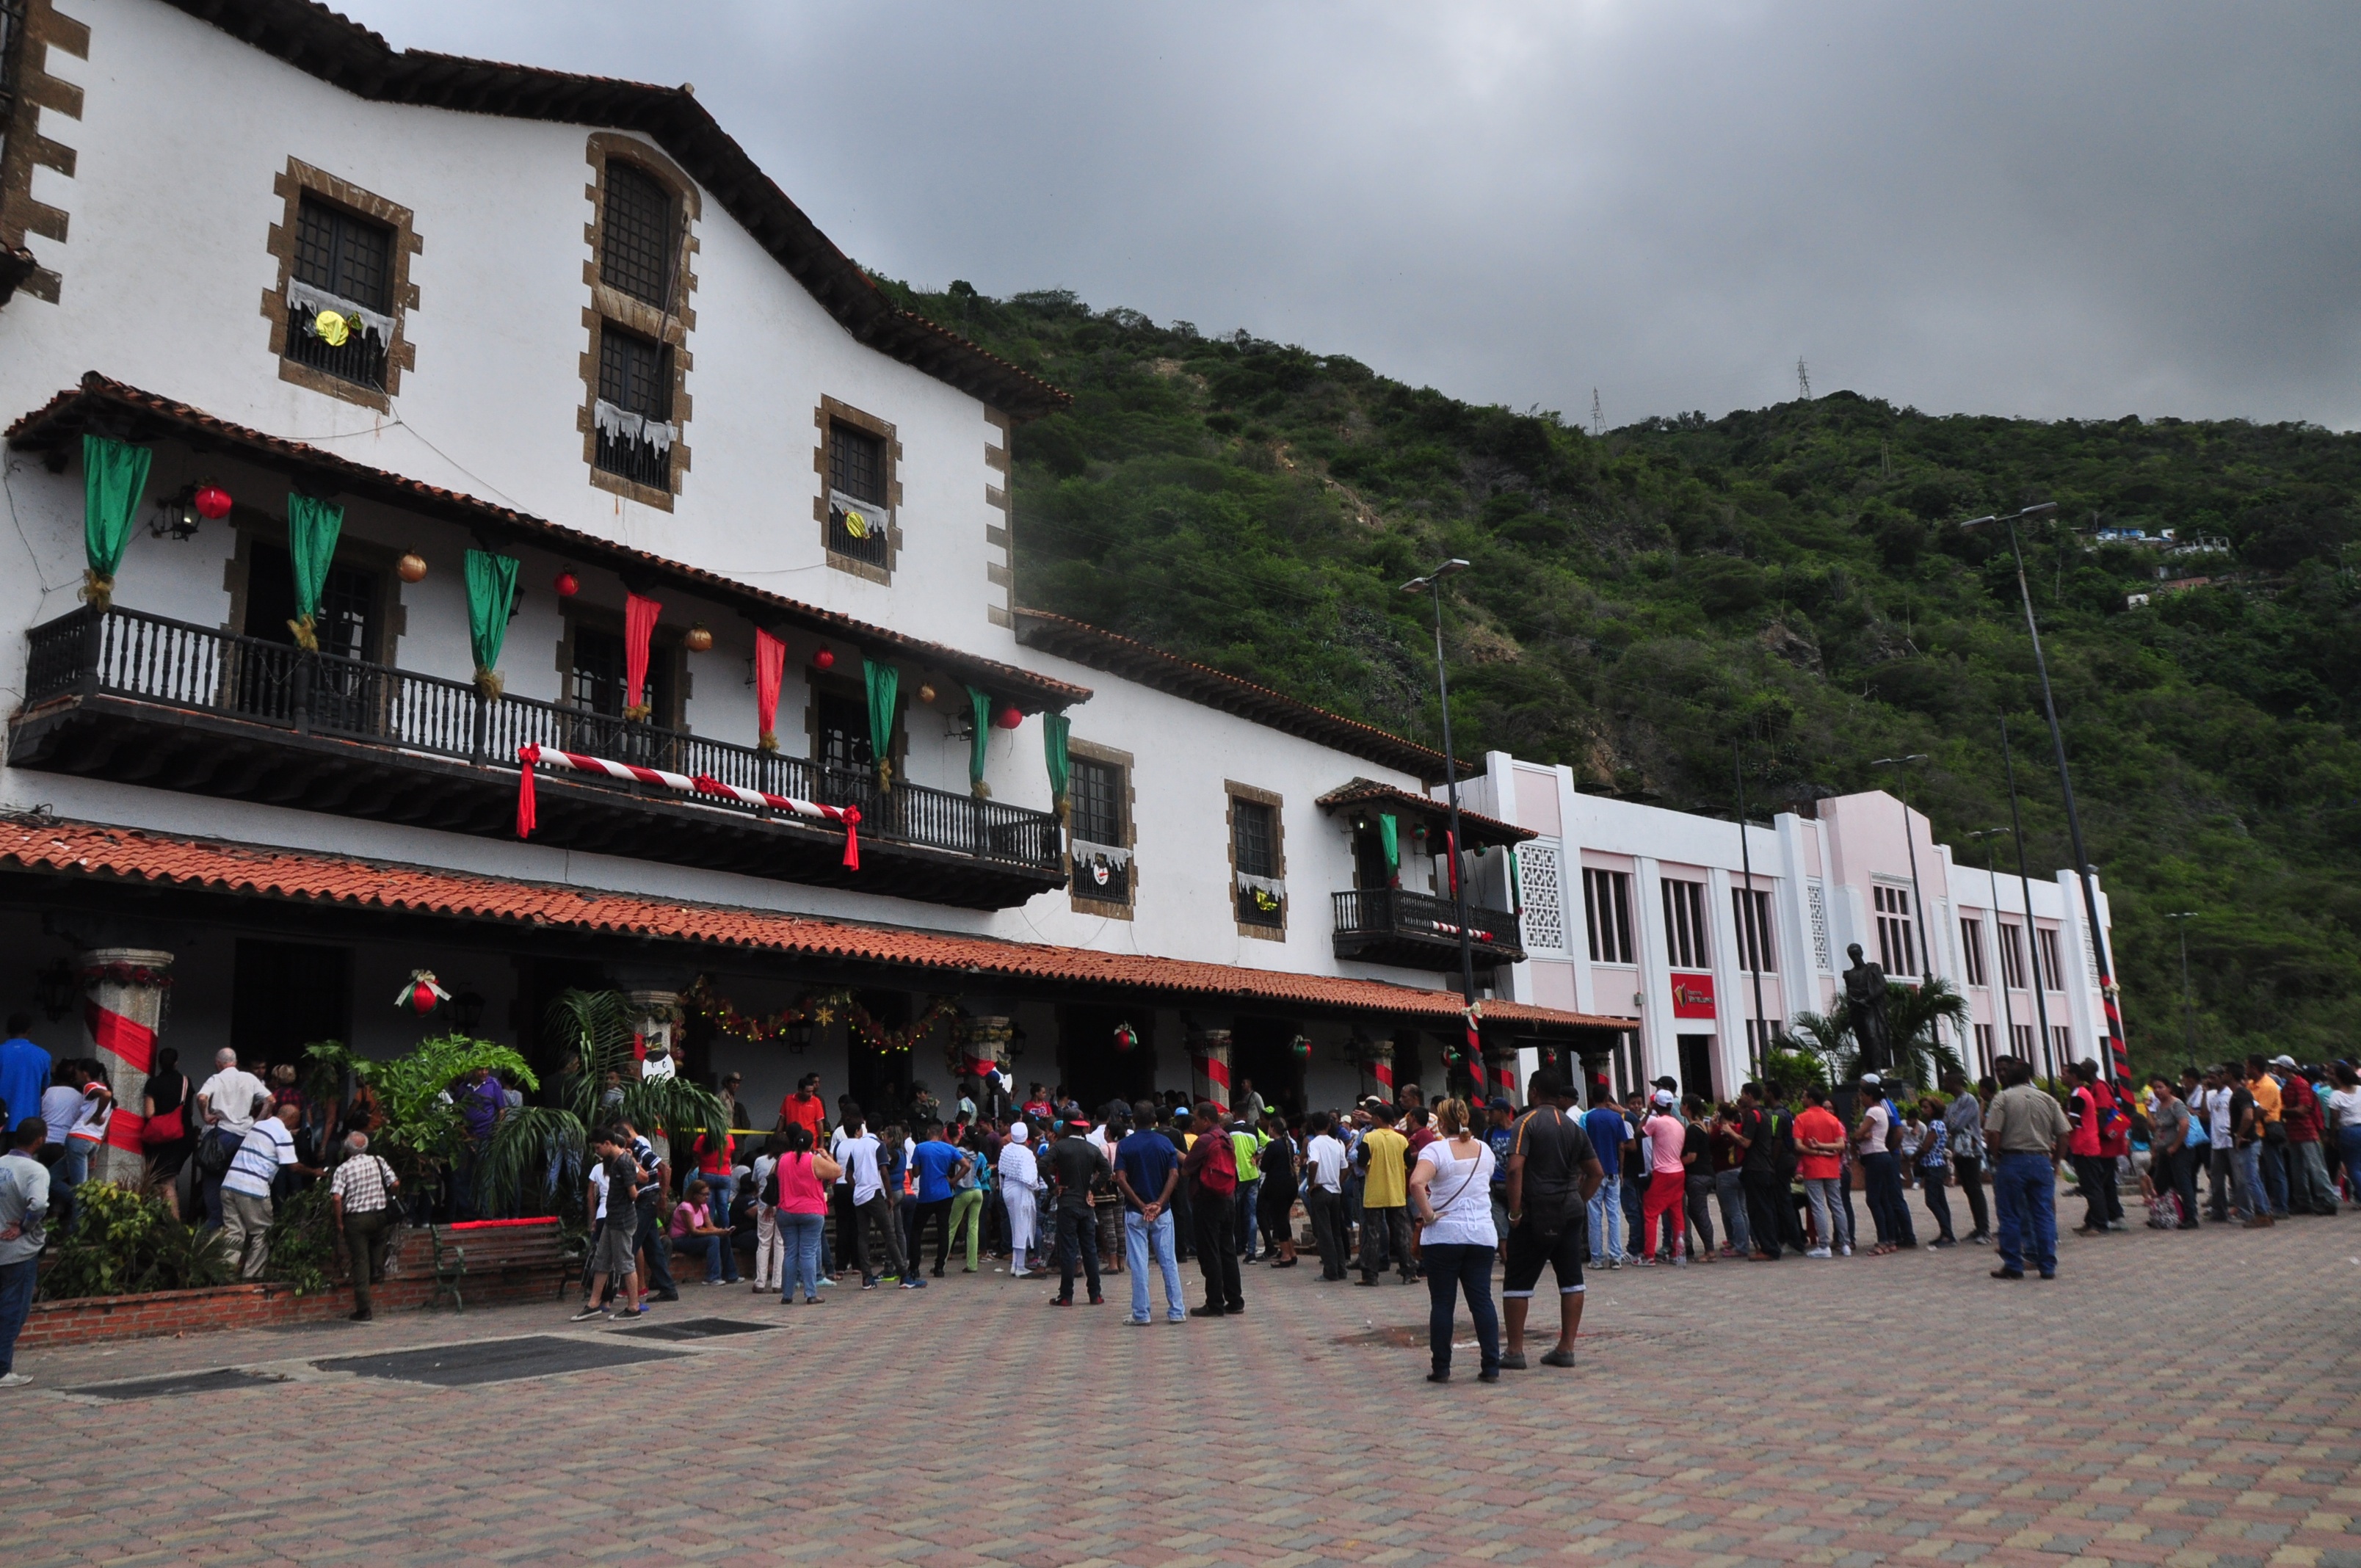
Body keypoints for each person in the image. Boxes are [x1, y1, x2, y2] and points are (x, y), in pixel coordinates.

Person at [1501, 1070, 1605, 1371]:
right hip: (1569, 1210)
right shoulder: (1573, 1127)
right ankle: (1566, 1347)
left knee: (1518, 1282)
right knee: (1572, 1279)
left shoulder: (1526, 1123)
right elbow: (1596, 1172)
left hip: (1535, 1211)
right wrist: (1577, 1200)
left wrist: (1515, 1211)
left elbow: (1514, 1170)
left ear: (1533, 1092)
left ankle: (1515, 1351)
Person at [1409, 1097, 1500, 1383]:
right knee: (1482, 1301)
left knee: (1443, 1303)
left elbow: (1416, 1183)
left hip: (1445, 1235)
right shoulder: (1484, 1150)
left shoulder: (1435, 1150)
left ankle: (1442, 1367)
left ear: (1443, 1123)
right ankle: (1491, 1364)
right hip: (1482, 1234)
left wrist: (1429, 1215)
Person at [1984, 1056, 2072, 1280]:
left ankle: (2013, 1264)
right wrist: (2056, 1161)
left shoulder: (2002, 1099)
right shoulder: (2048, 1099)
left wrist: (1996, 1157)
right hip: (2041, 1160)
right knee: (2043, 1214)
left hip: (2012, 1160)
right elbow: (2063, 1134)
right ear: (2030, 1076)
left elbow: (1993, 1133)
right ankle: (2047, 1265)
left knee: (2010, 1214)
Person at [220, 1102, 313, 1280]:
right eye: (297, 1121)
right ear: (292, 1118)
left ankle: (223, 1276)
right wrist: (315, 1172)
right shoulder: (283, 1134)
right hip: (252, 1189)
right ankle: (252, 1277)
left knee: (234, 1233)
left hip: (230, 1185)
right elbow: (293, 1167)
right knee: (262, 1233)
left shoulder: (260, 1125)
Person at [1114, 1098, 1185, 1324]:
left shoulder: (1125, 1145)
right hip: (1162, 1212)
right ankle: (1177, 1311)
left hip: (1136, 1211)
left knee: (1139, 1263)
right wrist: (1160, 1203)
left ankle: (1141, 1313)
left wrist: (1141, 1203)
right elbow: (1174, 1174)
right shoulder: (1165, 1144)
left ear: (1133, 1120)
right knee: (1168, 1262)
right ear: (1155, 1120)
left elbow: (1120, 1178)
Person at [573, 1128, 648, 1321]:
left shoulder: (623, 1162)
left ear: (608, 1143)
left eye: (598, 1147)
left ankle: (633, 1307)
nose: (597, 1151)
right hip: (611, 1218)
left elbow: (633, 1192)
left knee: (625, 1262)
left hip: (622, 1219)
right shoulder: (613, 1161)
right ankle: (594, 1302)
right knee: (602, 1259)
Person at [0, 1117, 53, 1387]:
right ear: (40, 1139)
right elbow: (39, 1205)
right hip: (18, 1252)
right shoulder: (35, 1171)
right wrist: (24, 1227)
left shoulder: (1, 1164)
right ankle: (2, 1370)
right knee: (13, 1311)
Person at [1180, 1100, 1243, 1317]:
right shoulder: (1226, 1137)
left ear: (1206, 1120)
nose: (1193, 1123)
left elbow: (1187, 1170)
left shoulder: (1204, 1140)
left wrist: (1177, 1154)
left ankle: (1214, 1302)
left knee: (1209, 1252)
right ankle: (1235, 1300)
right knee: (1227, 1250)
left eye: (1196, 1118)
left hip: (1207, 1201)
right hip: (1227, 1197)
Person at [328, 1131, 399, 1321]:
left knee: (360, 1262)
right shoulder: (378, 1161)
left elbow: (336, 1198)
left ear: (347, 1149)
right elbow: (395, 1183)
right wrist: (389, 1195)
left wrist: (339, 1223)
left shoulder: (343, 1169)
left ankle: (364, 1309)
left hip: (356, 1220)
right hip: (380, 1215)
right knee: (378, 1244)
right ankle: (377, 1269)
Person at [195, 1048, 269, 1227]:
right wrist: (256, 1121)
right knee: (239, 1182)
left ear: (219, 1063)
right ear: (235, 1062)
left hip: (222, 1136)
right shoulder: (250, 1079)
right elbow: (271, 1100)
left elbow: (202, 1097)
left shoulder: (216, 1079)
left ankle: (215, 1224)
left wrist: (205, 1115)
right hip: (245, 1138)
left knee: (213, 1180)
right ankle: (238, 1225)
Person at [1042, 1116, 1109, 1306]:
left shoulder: (1059, 1147)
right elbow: (1106, 1170)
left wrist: (1053, 1187)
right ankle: (1095, 1294)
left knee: (1068, 1250)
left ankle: (1066, 1296)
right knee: (1090, 1250)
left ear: (1068, 1127)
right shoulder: (1092, 1149)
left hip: (1067, 1203)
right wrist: (1092, 1189)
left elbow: (1041, 1164)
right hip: (1086, 1204)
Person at [774, 1122, 838, 1305]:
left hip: (786, 1210)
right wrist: (826, 1156)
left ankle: (787, 1295)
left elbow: (773, 1175)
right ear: (811, 1145)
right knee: (808, 1253)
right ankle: (811, 1293)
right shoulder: (814, 1160)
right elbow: (837, 1171)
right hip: (811, 1210)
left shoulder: (783, 1159)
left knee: (790, 1253)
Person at [1354, 1103, 1413, 1286]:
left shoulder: (1369, 1139)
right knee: (1402, 1234)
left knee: (1372, 1235)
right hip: (1396, 1193)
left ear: (1378, 1119)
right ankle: (1409, 1272)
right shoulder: (1402, 1140)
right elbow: (1409, 1164)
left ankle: (1370, 1275)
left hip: (1374, 1194)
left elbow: (1362, 1163)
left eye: (1373, 1117)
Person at [1852, 1073, 1908, 1255]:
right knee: (1884, 1199)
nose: (1861, 1099)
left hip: (1875, 1155)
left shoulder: (1873, 1111)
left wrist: (1861, 1134)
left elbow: (1858, 1134)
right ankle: (1891, 1239)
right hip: (1881, 1155)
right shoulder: (1882, 1111)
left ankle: (1883, 1239)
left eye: (1863, 1095)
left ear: (1871, 1096)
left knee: (1874, 1199)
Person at [905, 1122, 969, 1278]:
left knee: (916, 1231)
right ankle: (940, 1267)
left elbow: (916, 1172)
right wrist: (953, 1180)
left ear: (928, 1132)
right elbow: (966, 1165)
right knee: (943, 1230)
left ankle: (914, 1267)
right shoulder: (949, 1149)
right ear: (941, 1135)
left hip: (926, 1195)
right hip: (945, 1194)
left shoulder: (920, 1148)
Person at [1793, 1086, 1849, 1257]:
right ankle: (1845, 1243)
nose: (1802, 1099)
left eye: (1804, 1096)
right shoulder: (1832, 1120)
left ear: (1810, 1099)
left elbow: (1798, 1145)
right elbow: (1841, 1145)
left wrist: (1817, 1150)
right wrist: (1825, 1149)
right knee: (1837, 1205)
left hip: (1813, 1167)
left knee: (1818, 1206)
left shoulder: (1802, 1119)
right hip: (1832, 1167)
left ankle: (1824, 1245)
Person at [1733, 1084, 1785, 1260]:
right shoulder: (1768, 1114)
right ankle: (1770, 1245)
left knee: (1759, 1210)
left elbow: (1746, 1142)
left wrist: (1729, 1132)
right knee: (1767, 1209)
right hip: (1766, 1167)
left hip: (1755, 1167)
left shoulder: (1753, 1116)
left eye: (1743, 1094)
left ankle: (1768, 1248)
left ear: (1749, 1095)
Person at [1636, 1091, 1687, 1265]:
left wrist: (1648, 1113)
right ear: (1672, 1105)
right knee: (1676, 1214)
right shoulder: (1679, 1125)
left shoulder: (1656, 1123)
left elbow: (1638, 1133)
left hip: (1662, 1172)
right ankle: (1678, 1252)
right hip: (1678, 1172)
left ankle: (1649, 1255)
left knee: (1650, 1213)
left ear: (1656, 1105)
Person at [1941, 1072, 1992, 1244]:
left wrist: (1951, 1123)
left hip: (1971, 1151)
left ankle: (1984, 1229)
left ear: (1954, 1082)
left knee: (1975, 1189)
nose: (1944, 1084)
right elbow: (1947, 1123)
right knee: (1969, 1189)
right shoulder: (1953, 1103)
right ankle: (1978, 1227)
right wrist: (1951, 1123)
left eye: (1946, 1080)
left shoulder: (1968, 1100)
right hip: (1959, 1151)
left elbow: (1955, 1124)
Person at [1581, 1089, 1628, 1268]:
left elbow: (1583, 1145)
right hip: (1612, 1171)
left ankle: (1597, 1258)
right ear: (1608, 1098)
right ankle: (1616, 1256)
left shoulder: (1587, 1118)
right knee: (1614, 1214)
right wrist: (1621, 1170)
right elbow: (1621, 1146)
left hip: (1593, 1173)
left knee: (1594, 1216)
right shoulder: (1617, 1118)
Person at [2144, 1075, 2198, 1229]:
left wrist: (2175, 1146)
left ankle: (2191, 1217)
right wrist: (2155, 1149)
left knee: (2183, 1182)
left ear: (2169, 1088)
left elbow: (2184, 1125)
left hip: (2180, 1150)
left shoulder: (2177, 1104)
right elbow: (2157, 1128)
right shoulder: (2160, 1107)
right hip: (2164, 1151)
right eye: (2155, 1088)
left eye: (2161, 1087)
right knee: (2160, 1183)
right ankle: (2163, 1213)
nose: (2157, 1091)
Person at [667, 1178, 741, 1285]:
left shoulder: (703, 1206)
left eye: (708, 1194)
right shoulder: (685, 1207)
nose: (707, 1197)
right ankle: (712, 1277)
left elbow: (710, 1226)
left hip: (693, 1238)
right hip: (681, 1239)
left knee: (723, 1238)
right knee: (713, 1240)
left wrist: (722, 1231)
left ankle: (731, 1274)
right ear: (695, 1195)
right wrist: (716, 1233)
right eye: (704, 1194)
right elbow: (693, 1231)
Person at [998, 1121, 1042, 1277]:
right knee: (1022, 1227)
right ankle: (1020, 1266)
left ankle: (1015, 1264)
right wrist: (1037, 1188)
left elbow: (1002, 1171)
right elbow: (1030, 1179)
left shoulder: (1006, 1149)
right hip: (1022, 1190)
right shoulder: (1026, 1153)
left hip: (1008, 1189)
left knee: (1014, 1225)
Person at [1912, 1095, 1956, 1245]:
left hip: (1933, 1165)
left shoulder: (1935, 1125)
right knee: (1940, 1200)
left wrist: (1915, 1156)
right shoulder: (1940, 1124)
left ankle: (1948, 1234)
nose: (1923, 1111)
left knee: (1932, 1200)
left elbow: (1926, 1147)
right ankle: (1946, 1233)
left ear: (1934, 1109)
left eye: (1926, 1107)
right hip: (1938, 1165)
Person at [1708, 1103, 1751, 1258]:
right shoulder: (1739, 1128)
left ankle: (1741, 1246)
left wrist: (1711, 1125)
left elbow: (1709, 1142)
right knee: (1742, 1210)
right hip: (1739, 1170)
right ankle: (1741, 1241)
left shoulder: (1720, 1131)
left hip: (1725, 1173)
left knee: (1733, 1212)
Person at [947, 1127, 990, 1274]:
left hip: (962, 1192)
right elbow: (983, 1173)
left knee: (951, 1227)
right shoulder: (980, 1155)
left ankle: (942, 1261)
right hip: (978, 1191)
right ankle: (972, 1264)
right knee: (973, 1227)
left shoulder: (957, 1152)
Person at [0, 1017, 49, 1144]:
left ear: (7, 1030)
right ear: (30, 1030)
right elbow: (44, 1088)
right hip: (27, 1122)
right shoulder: (43, 1055)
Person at [2325, 1064, 2361, 1200]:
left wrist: (2333, 1136)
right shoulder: (2360, 1090)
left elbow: (2334, 1119)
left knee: (2353, 1168)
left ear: (2339, 1077)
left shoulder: (2336, 1095)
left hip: (2349, 1132)